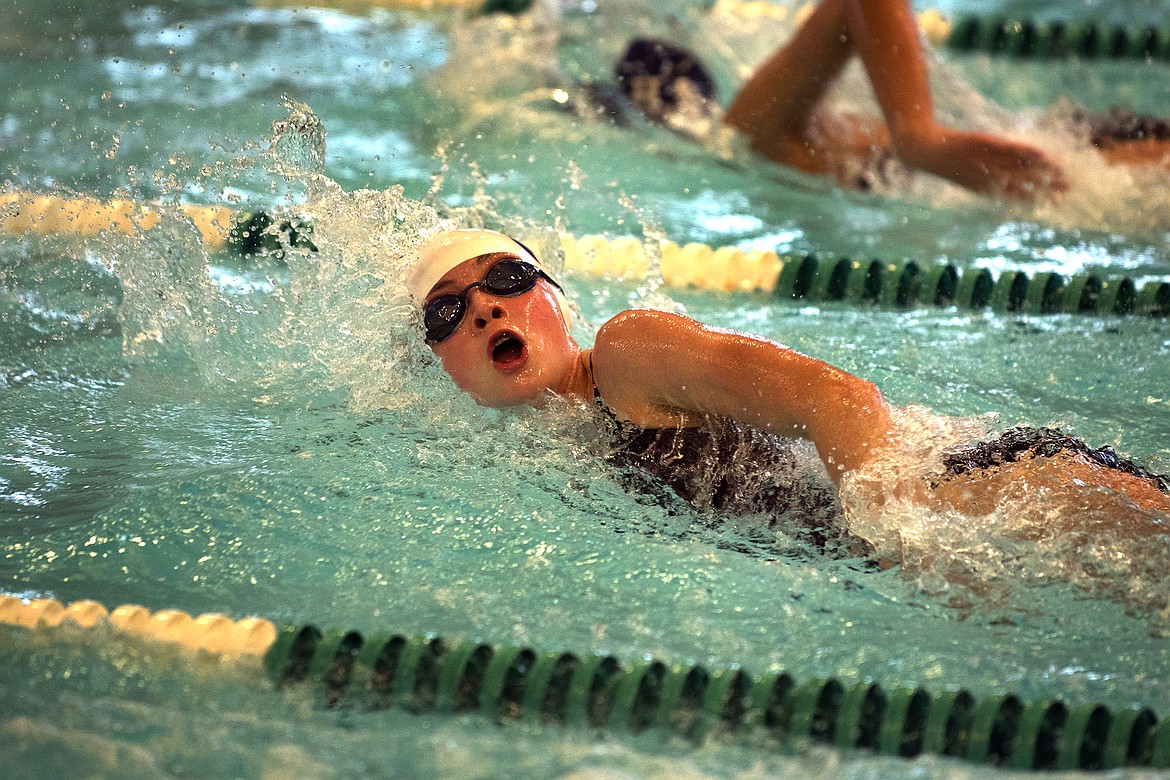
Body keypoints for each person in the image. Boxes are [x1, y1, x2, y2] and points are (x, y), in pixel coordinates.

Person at [409, 227, 1170, 558]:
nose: (482, 307)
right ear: (441, 363)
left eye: (505, 278)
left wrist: (909, 534)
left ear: (555, 298)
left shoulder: (626, 352)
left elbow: (841, 401)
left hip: (991, 493)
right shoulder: (562, 446)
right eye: (448, 312)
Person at [612, 0, 1170, 199]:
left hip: (1061, 172)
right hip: (1080, 150)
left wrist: (920, 140)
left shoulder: (746, 134)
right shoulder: (818, 127)